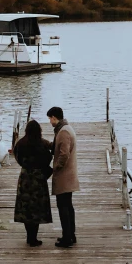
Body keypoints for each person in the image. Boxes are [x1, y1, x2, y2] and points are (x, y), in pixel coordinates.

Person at [13, 120, 53, 246]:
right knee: (36, 208)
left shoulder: (20, 143)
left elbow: (17, 156)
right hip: (38, 178)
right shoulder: (43, 144)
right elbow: (49, 157)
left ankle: (29, 236)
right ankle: (34, 238)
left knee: (26, 207)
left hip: (25, 177)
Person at [47, 106, 79, 248]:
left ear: (54, 117)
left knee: (63, 206)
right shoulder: (66, 128)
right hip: (69, 175)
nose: (49, 122)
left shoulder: (64, 132)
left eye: (50, 119)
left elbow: (64, 154)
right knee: (68, 205)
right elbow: (56, 147)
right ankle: (71, 234)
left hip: (64, 176)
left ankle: (67, 237)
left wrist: (56, 167)